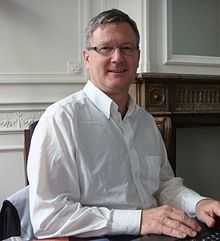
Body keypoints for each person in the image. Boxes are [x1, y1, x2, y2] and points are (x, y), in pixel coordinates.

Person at [27, 8, 220, 240]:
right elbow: (49, 217)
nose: (117, 57)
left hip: (157, 233)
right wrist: (139, 220)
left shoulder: (146, 122)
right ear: (87, 58)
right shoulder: (60, 120)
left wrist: (199, 203)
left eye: (127, 48)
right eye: (105, 48)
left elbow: (164, 186)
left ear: (137, 57)